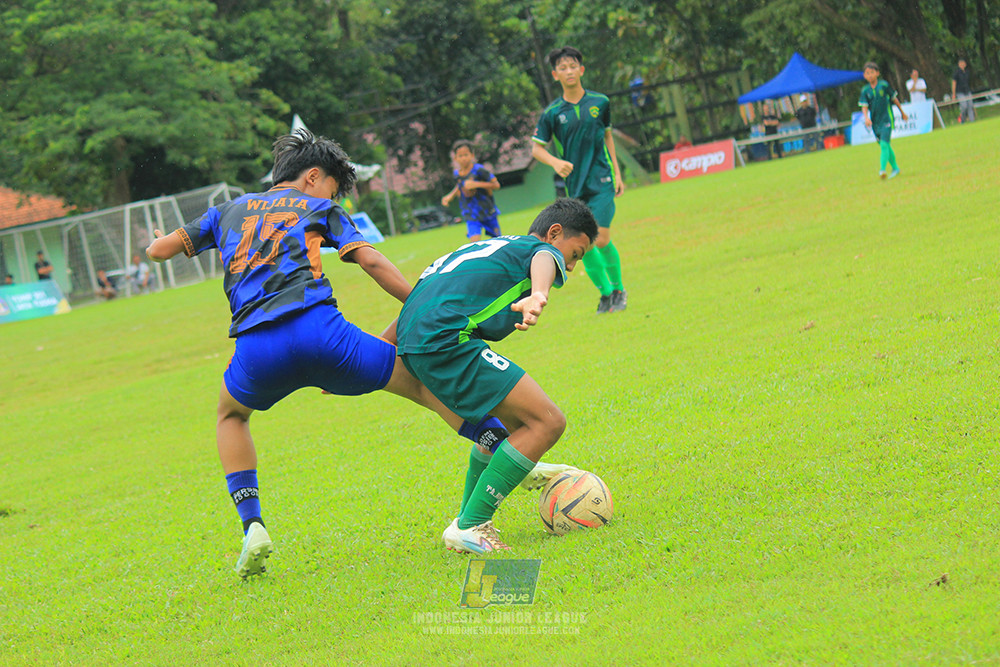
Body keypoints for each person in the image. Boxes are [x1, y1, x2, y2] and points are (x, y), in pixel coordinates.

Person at [145, 129, 565, 577]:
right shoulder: (318, 207)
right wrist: (419, 305)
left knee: (231, 416)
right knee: (420, 382)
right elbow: (371, 261)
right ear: (312, 177)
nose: (333, 195)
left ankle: (252, 526)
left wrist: (156, 241)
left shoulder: (225, 210)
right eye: (333, 186)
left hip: (256, 348)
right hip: (325, 337)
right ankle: (502, 449)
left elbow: (160, 250)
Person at [395, 197, 598, 553]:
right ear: (554, 233)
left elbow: (419, 299)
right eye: (576, 253)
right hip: (446, 342)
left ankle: (466, 520)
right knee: (547, 421)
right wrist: (538, 293)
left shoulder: (493, 246)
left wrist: (368, 355)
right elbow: (545, 257)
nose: (572, 265)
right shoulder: (535, 250)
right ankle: (472, 524)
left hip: (419, 342)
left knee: (512, 429)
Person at [531, 46, 627, 315]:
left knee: (602, 239)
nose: (569, 71)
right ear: (555, 75)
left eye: (573, 66)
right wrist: (556, 162)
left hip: (602, 181)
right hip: (576, 188)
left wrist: (618, 174)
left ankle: (619, 289)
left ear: (581, 70)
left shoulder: (601, 102)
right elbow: (536, 149)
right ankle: (606, 294)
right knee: (583, 245)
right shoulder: (552, 113)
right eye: (563, 68)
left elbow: (608, 138)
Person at [440, 140, 501, 242]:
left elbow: (496, 185)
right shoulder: (457, 174)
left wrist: (476, 184)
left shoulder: (479, 170)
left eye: (466, 155)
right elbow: (460, 185)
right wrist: (450, 196)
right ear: (455, 158)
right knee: (475, 244)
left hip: (487, 211)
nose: (463, 158)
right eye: (460, 156)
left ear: (472, 155)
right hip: (470, 213)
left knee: (498, 241)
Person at [859, 61, 909, 180]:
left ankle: (882, 170)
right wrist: (866, 118)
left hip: (887, 119)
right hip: (875, 122)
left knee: (884, 144)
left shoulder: (884, 85)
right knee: (885, 145)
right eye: (867, 73)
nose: (870, 75)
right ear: (864, 76)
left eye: (872, 72)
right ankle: (896, 168)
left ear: (877, 73)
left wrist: (902, 112)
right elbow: (864, 106)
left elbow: (894, 99)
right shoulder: (865, 91)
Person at [952, 58, 975, 123]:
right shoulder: (956, 73)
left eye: (963, 63)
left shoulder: (967, 72)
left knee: (970, 106)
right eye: (961, 63)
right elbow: (954, 83)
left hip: (967, 91)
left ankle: (972, 121)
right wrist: (954, 94)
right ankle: (962, 120)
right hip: (960, 92)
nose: (962, 64)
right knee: (964, 106)